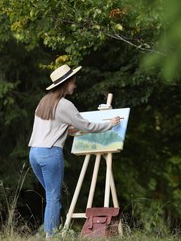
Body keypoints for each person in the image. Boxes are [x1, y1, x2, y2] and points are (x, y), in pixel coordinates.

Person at [28, 64, 120, 237]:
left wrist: (68, 130)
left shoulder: (44, 102)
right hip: (50, 153)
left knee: (50, 197)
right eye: (73, 82)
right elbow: (87, 125)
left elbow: (52, 127)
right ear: (65, 83)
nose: (75, 85)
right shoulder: (65, 105)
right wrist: (111, 124)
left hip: (34, 152)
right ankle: (50, 237)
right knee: (54, 198)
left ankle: (48, 234)